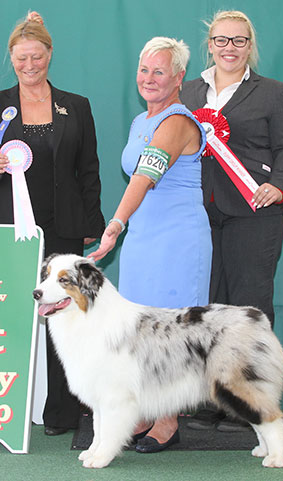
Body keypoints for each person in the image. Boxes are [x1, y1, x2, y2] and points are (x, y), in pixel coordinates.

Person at [89, 36, 212, 453]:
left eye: (159, 71)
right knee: (141, 331)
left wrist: (115, 224)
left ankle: (169, 418)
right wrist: (126, 227)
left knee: (173, 331)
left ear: (179, 77)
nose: (149, 78)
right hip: (143, 239)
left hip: (177, 241)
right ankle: (144, 409)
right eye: (144, 70)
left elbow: (143, 176)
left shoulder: (178, 122)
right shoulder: (141, 121)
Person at [180, 10, 283, 431]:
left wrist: (280, 186)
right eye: (221, 40)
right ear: (209, 44)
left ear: (250, 46)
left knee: (249, 308)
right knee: (209, 307)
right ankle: (213, 400)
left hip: (254, 212)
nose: (229, 48)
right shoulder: (189, 90)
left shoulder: (273, 91)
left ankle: (251, 405)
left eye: (239, 40)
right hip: (200, 214)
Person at [0, 12, 105, 435]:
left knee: (65, 320)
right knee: (10, 315)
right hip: (10, 230)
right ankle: (9, 413)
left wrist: (91, 224)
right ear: (11, 58)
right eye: (22, 58)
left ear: (50, 55)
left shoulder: (75, 106)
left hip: (63, 228)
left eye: (37, 57)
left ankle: (63, 412)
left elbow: (90, 170)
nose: (30, 66)